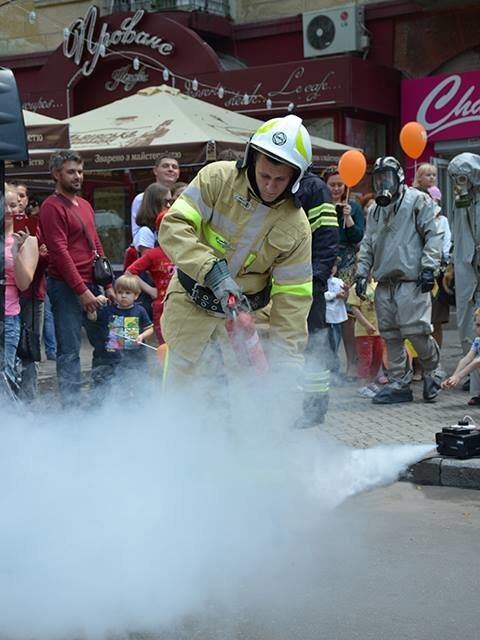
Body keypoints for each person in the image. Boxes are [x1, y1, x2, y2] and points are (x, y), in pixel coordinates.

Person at [159, 114, 313, 402]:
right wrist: (211, 270)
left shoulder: (297, 227)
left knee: (244, 407)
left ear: (296, 177)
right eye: (265, 175)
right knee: (181, 400)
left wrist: (287, 369)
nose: (270, 186)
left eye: (280, 180)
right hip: (191, 307)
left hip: (247, 323)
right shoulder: (217, 178)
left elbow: (293, 300)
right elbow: (173, 227)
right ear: (251, 160)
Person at [355, 156, 445, 404]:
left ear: (399, 179)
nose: (384, 182)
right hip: (385, 284)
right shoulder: (374, 210)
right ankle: (399, 384)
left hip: (412, 281)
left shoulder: (418, 200)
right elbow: (368, 245)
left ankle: (433, 371)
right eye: (379, 178)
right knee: (392, 337)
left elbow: (432, 236)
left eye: (388, 178)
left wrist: (429, 268)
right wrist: (362, 273)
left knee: (417, 332)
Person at [39, 150, 115, 406]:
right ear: (56, 174)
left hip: (93, 283)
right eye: (71, 171)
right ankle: (71, 412)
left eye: (80, 171)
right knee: (69, 352)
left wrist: (108, 283)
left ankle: (102, 402)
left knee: (108, 343)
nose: (78, 176)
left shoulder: (85, 205)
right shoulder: (51, 207)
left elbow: (96, 243)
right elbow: (59, 252)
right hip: (66, 287)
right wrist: (82, 291)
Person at [294, 168, 338, 427]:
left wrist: (317, 278)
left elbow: (328, 236)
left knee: (315, 345)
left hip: (307, 283)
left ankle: (314, 408)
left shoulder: (314, 188)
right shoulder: (276, 184)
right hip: (278, 284)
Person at [322, 166, 365, 380]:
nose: (337, 188)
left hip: (346, 263)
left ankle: (352, 364)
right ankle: (330, 364)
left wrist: (348, 218)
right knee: (326, 313)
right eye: (332, 185)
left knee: (346, 314)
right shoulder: (320, 205)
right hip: (324, 261)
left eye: (340, 184)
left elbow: (358, 237)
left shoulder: (354, 207)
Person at [447, 152, 480, 405]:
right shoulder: (462, 201)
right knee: (470, 327)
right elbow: (458, 234)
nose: (459, 184)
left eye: (462, 178)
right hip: (466, 269)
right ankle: (476, 387)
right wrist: (451, 264)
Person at [2, 184, 39, 396]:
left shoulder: (29, 240)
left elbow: (24, 283)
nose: (9, 210)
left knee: (7, 375)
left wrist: (15, 251)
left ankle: (11, 423)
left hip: (8, 314)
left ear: (21, 207)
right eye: (4, 205)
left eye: (13, 205)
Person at [87, 275, 154, 383]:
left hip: (134, 358)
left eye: (128, 293)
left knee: (134, 384)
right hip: (112, 358)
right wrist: (94, 304)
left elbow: (150, 329)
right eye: (120, 292)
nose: (123, 296)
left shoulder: (140, 311)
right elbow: (92, 317)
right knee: (113, 384)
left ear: (136, 295)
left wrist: (141, 336)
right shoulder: (107, 310)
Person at [348, 272, 386, 398]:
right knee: (366, 358)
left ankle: (370, 382)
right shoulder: (356, 287)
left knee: (377, 357)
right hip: (364, 332)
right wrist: (367, 325)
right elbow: (355, 309)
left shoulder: (377, 285)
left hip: (379, 330)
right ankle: (362, 385)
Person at [130, 154, 180, 243]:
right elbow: (137, 233)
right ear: (155, 171)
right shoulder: (141, 199)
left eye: (174, 167)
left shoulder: (182, 197)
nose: (170, 169)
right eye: (165, 166)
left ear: (178, 173)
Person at [441, 308, 480, 397]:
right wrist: (453, 378)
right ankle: (477, 395)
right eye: (476, 325)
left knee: (475, 364)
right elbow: (466, 359)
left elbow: (478, 361)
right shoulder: (478, 341)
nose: (475, 329)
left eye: (479, 325)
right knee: (472, 366)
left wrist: (458, 377)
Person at [324, 263, 347, 375]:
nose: (331, 268)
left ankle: (335, 373)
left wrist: (346, 292)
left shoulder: (339, 281)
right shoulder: (321, 280)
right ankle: (330, 372)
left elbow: (346, 297)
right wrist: (335, 295)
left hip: (337, 319)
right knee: (327, 346)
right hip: (326, 318)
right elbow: (322, 295)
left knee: (335, 345)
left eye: (334, 266)